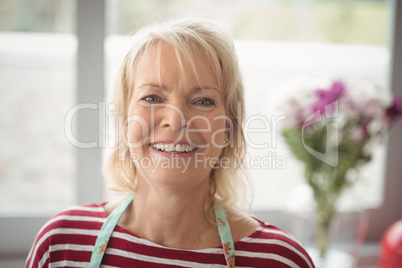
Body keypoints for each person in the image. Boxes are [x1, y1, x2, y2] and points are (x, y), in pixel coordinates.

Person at [26, 16, 315, 268]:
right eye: (152, 98)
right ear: (125, 119)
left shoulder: (280, 260)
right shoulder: (61, 244)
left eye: (203, 101)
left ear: (230, 128)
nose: (175, 121)